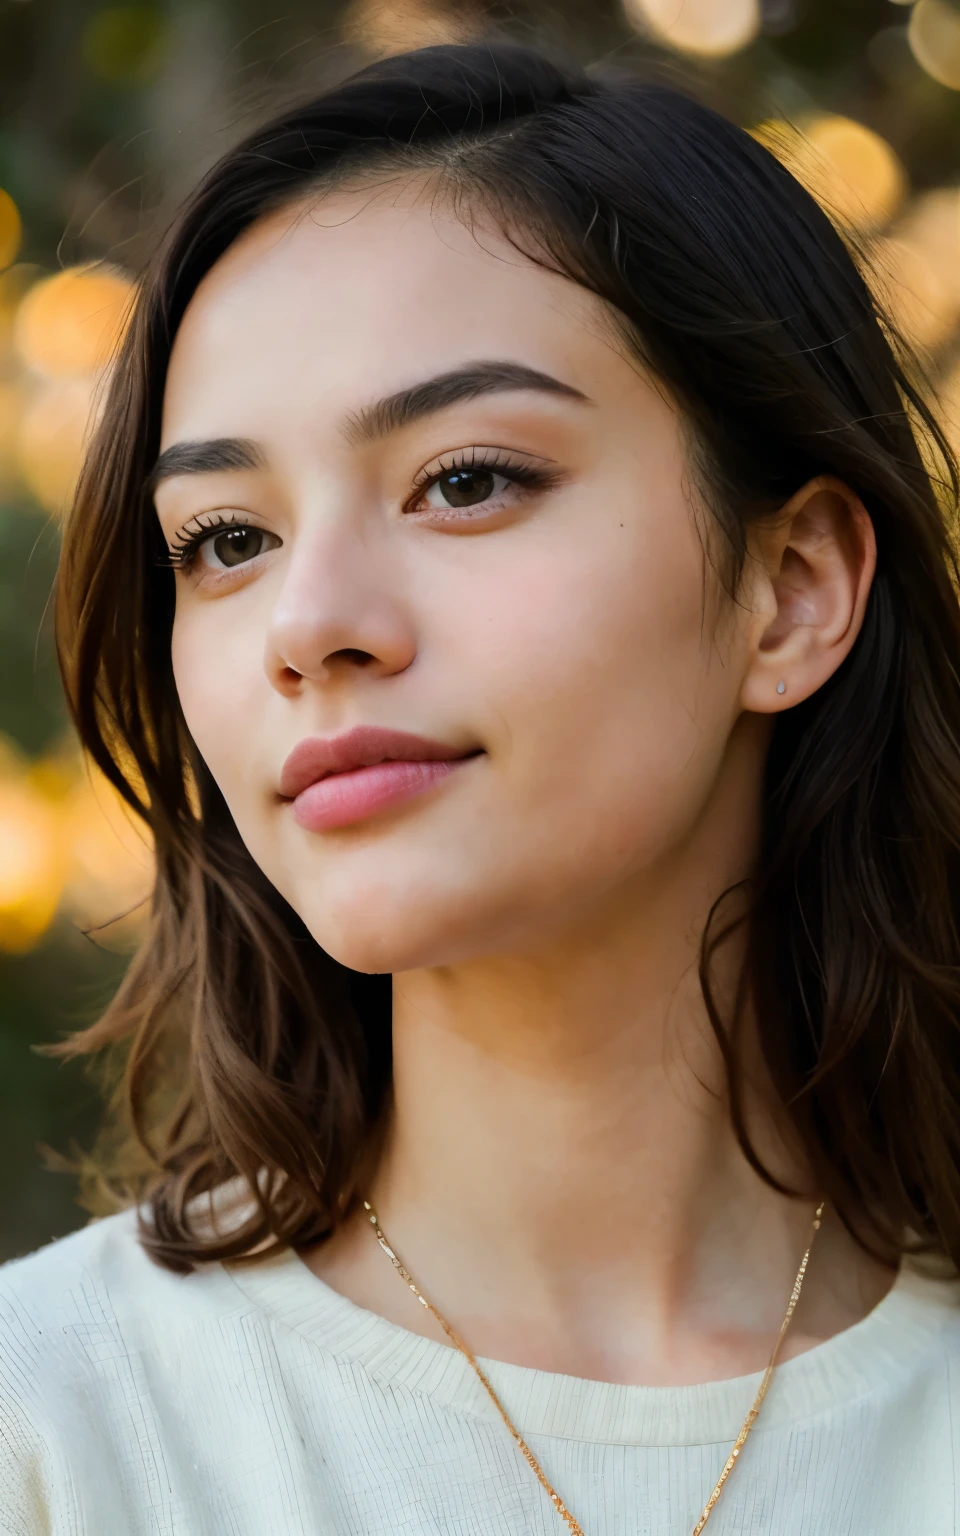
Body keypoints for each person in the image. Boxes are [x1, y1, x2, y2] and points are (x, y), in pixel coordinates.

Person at [3, 36, 960, 1536]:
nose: (309, 626)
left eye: (465, 480)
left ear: (790, 590)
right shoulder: (55, 1426)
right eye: (225, 539)